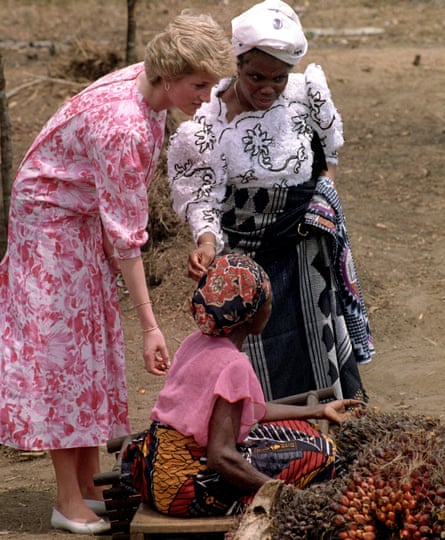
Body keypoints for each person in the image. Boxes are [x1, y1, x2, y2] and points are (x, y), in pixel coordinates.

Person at [0, 11, 235, 535]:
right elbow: (126, 236)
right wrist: (150, 324)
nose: (206, 95)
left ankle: (86, 481)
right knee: (64, 354)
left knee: (88, 348)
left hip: (78, 215)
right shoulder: (124, 126)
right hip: (50, 222)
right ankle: (66, 499)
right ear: (169, 74)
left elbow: (116, 221)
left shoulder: (147, 85)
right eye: (199, 85)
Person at [168, 0, 374, 403]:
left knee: (316, 335)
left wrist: (322, 200)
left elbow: (327, 159)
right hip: (246, 257)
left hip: (304, 247)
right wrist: (207, 244)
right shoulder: (207, 124)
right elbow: (202, 197)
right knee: (255, 349)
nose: (268, 88)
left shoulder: (305, 96)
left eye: (278, 78)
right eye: (256, 76)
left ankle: (327, 432)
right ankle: (261, 440)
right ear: (237, 64)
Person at [120, 253, 364, 517]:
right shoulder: (233, 365)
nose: (271, 309)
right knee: (323, 453)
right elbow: (220, 457)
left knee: (304, 432)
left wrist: (318, 410)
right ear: (250, 315)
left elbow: (250, 410)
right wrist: (277, 490)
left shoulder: (195, 343)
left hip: (155, 470)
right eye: (268, 303)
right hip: (185, 489)